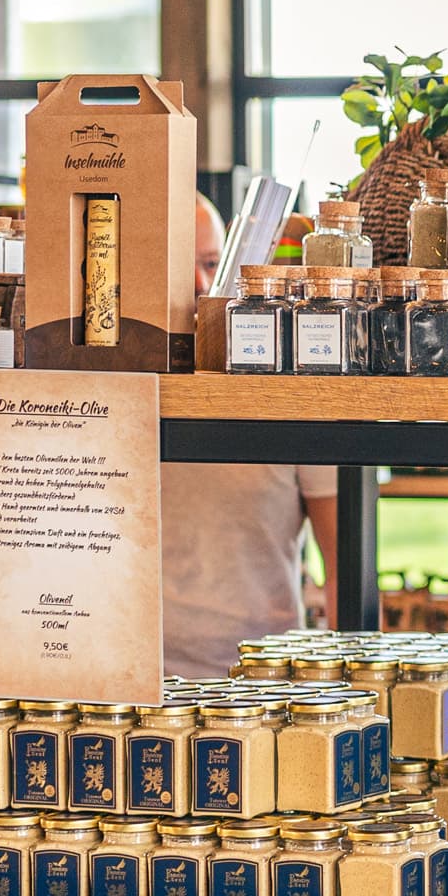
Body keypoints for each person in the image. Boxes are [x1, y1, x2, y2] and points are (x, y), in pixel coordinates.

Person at [161, 193, 338, 680]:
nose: (201, 285)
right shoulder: (113, 386)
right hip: (131, 688)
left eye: (211, 264)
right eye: (177, 267)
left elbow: (344, 565)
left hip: (261, 685)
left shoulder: (292, 394)